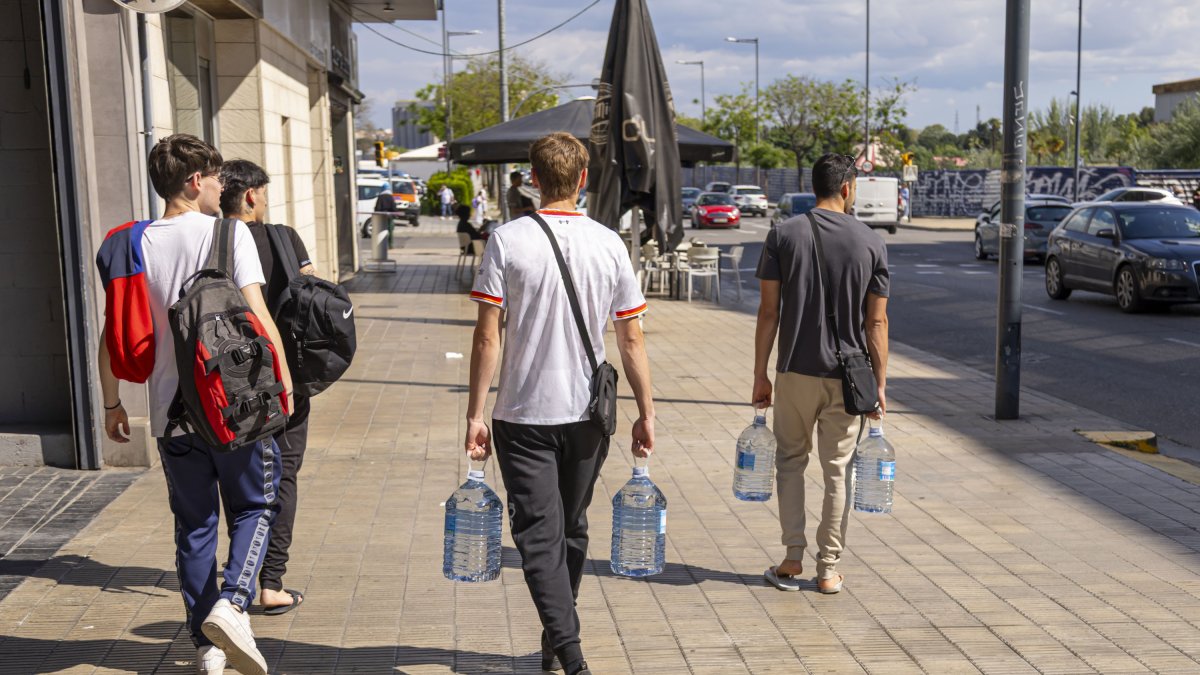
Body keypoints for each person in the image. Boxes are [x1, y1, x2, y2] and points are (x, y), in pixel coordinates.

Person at [96, 135, 290, 675]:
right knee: (255, 507)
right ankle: (233, 604)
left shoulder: (131, 244)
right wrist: (286, 381)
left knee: (195, 524)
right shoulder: (230, 235)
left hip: (168, 413)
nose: (221, 186)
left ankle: (207, 648)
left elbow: (112, 334)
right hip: (236, 408)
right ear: (192, 182)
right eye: (215, 177)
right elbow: (257, 318)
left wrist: (113, 404)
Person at [465, 132, 656, 675]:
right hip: (588, 416)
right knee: (568, 527)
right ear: (584, 179)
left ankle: (565, 649)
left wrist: (476, 414)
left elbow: (487, 337)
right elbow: (631, 338)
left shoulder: (507, 240)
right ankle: (564, 643)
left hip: (523, 411)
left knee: (541, 534)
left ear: (532, 177)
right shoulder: (609, 243)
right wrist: (646, 411)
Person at [753, 152, 889, 596]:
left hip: (794, 370)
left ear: (815, 186)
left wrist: (760, 374)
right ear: (848, 188)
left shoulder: (782, 234)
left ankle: (792, 558)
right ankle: (828, 570)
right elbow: (876, 324)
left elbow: (768, 312)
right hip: (848, 377)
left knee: (790, 462)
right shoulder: (871, 242)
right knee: (837, 471)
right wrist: (880, 385)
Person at [219, 159, 315, 618]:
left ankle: (238, 571)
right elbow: (312, 297)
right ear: (252, 194)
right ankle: (270, 582)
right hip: (286, 376)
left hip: (229, 382)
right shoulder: (285, 238)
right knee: (285, 473)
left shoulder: (210, 242)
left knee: (239, 478)